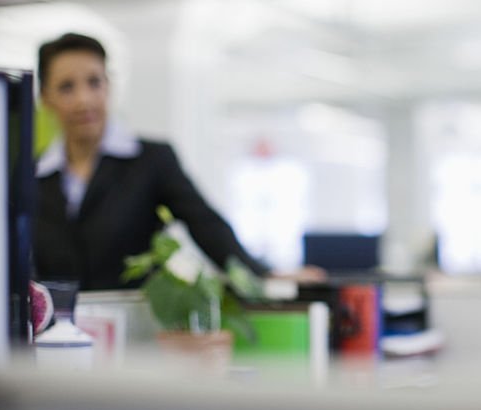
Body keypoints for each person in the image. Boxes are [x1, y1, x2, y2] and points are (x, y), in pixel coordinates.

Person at [33, 32, 319, 291]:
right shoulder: (30, 175)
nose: (84, 99)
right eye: (67, 87)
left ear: (108, 86)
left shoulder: (150, 161)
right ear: (46, 98)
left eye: (94, 82)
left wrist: (261, 274)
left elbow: (204, 223)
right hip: (53, 333)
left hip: (133, 329)